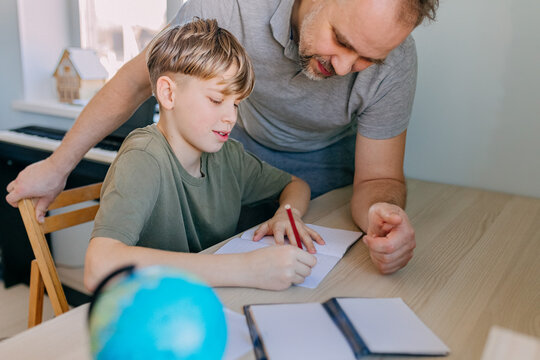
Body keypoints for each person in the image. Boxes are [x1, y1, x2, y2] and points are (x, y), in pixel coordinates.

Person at [6, 0, 439, 274]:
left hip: (327, 175)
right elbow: (136, 80)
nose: (345, 68)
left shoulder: (396, 63)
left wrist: (383, 211)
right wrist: (58, 165)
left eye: (368, 58)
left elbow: (376, 179)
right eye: (341, 41)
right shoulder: (229, 7)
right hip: (244, 159)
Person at [83, 19, 323, 291]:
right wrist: (246, 268)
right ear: (168, 93)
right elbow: (98, 266)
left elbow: (295, 184)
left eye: (236, 104)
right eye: (217, 100)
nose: (231, 117)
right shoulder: (143, 157)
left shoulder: (228, 155)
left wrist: (286, 213)